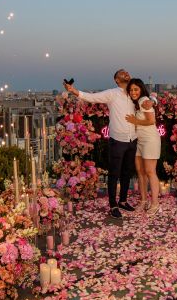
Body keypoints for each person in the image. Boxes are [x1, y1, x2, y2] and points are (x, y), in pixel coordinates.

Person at [63, 70, 153, 219]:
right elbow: (92, 98)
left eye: (127, 72)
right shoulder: (112, 93)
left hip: (133, 140)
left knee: (126, 173)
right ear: (116, 80)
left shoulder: (134, 93)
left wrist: (153, 101)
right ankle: (113, 205)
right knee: (114, 174)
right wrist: (73, 90)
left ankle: (123, 200)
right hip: (117, 140)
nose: (126, 73)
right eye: (122, 73)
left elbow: (150, 99)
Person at [124, 78, 161, 215]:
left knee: (150, 171)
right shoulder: (137, 101)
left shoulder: (143, 100)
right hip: (138, 140)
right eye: (131, 89)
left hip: (150, 140)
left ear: (141, 90)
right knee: (140, 172)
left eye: (136, 89)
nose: (133, 92)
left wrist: (135, 121)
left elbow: (151, 121)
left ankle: (155, 203)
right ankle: (144, 201)